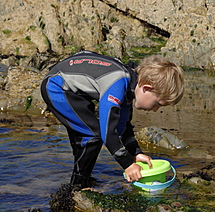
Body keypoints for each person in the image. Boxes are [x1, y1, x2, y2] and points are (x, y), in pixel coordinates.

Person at [41, 51, 184, 188]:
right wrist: (127, 164)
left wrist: (135, 153)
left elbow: (122, 126)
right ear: (146, 88)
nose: (155, 110)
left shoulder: (129, 86)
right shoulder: (118, 84)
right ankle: (78, 186)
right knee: (91, 136)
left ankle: (81, 180)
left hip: (75, 90)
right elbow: (108, 132)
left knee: (87, 136)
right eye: (158, 104)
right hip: (56, 86)